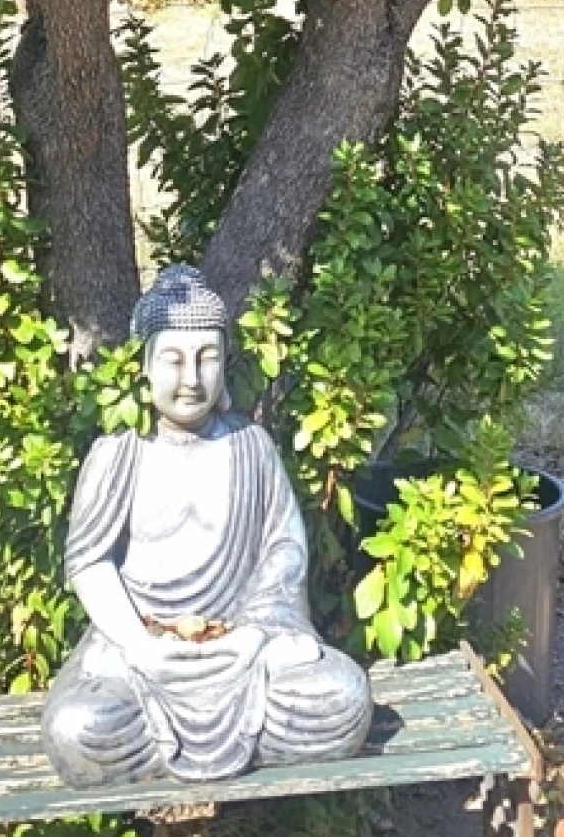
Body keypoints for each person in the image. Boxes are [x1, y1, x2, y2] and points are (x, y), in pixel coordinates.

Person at [41, 265, 374, 786]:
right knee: (75, 728)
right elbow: (88, 561)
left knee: (345, 697)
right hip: (141, 652)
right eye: (173, 360)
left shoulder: (252, 448)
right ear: (146, 367)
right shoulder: (118, 453)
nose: (191, 378)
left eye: (207, 359)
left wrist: (255, 635)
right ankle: (157, 729)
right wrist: (140, 643)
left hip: (242, 648)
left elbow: (284, 551)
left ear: (224, 369)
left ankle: (205, 733)